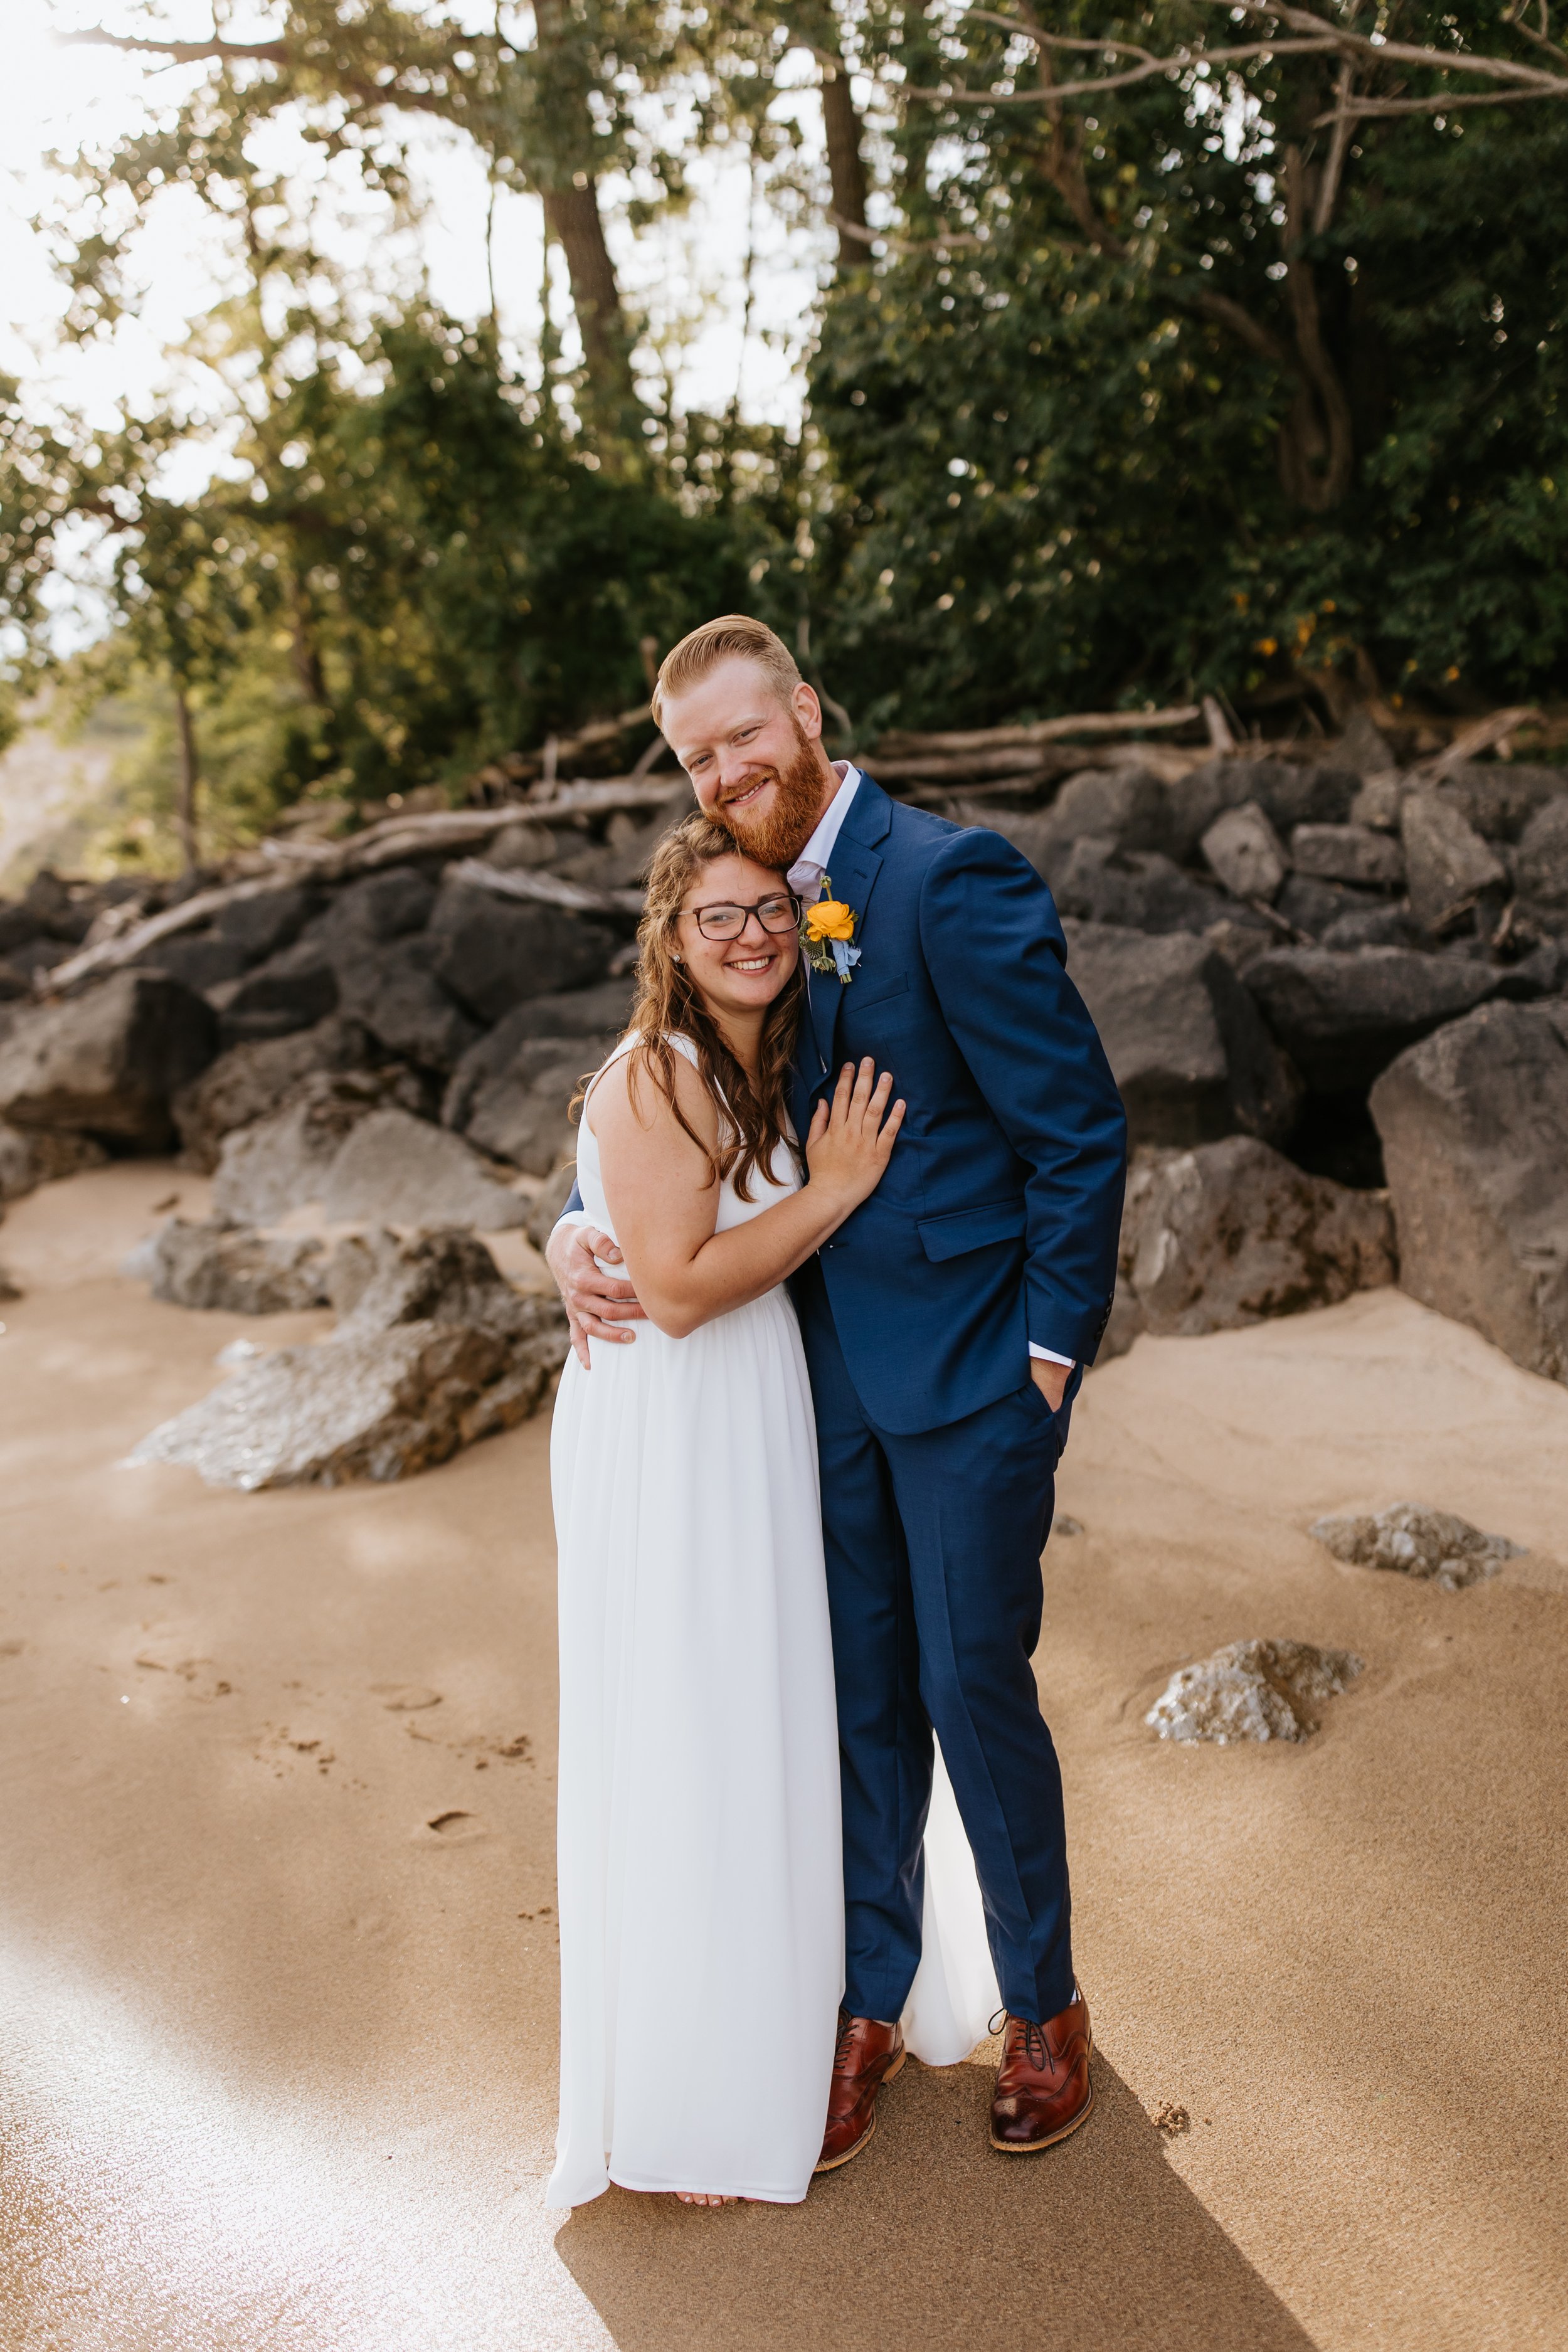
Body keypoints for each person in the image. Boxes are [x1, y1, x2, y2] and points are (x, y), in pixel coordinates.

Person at [549, 614, 1127, 2178]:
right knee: (854, 1704)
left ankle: (1045, 2010)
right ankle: (862, 2003)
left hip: (962, 1384)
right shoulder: (747, 918)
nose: (729, 773)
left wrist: (1047, 1358)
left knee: (969, 1691)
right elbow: (669, 1100)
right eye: (697, 759)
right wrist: (571, 1236)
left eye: (745, 735)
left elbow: (1075, 1129)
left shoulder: (949, 878)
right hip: (804, 1387)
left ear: (803, 711)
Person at [546, 813, 907, 2208]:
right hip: (670, 1425)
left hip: (755, 1418)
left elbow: (622, 1219)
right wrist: (828, 1192)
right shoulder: (655, 1073)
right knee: (684, 1729)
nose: (750, 935)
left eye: (771, 909)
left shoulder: (774, 1059)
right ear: (670, 939)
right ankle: (685, 2100)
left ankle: (770, 2023)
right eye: (718, 917)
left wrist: (573, 1231)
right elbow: (684, 1289)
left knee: (756, 1718)